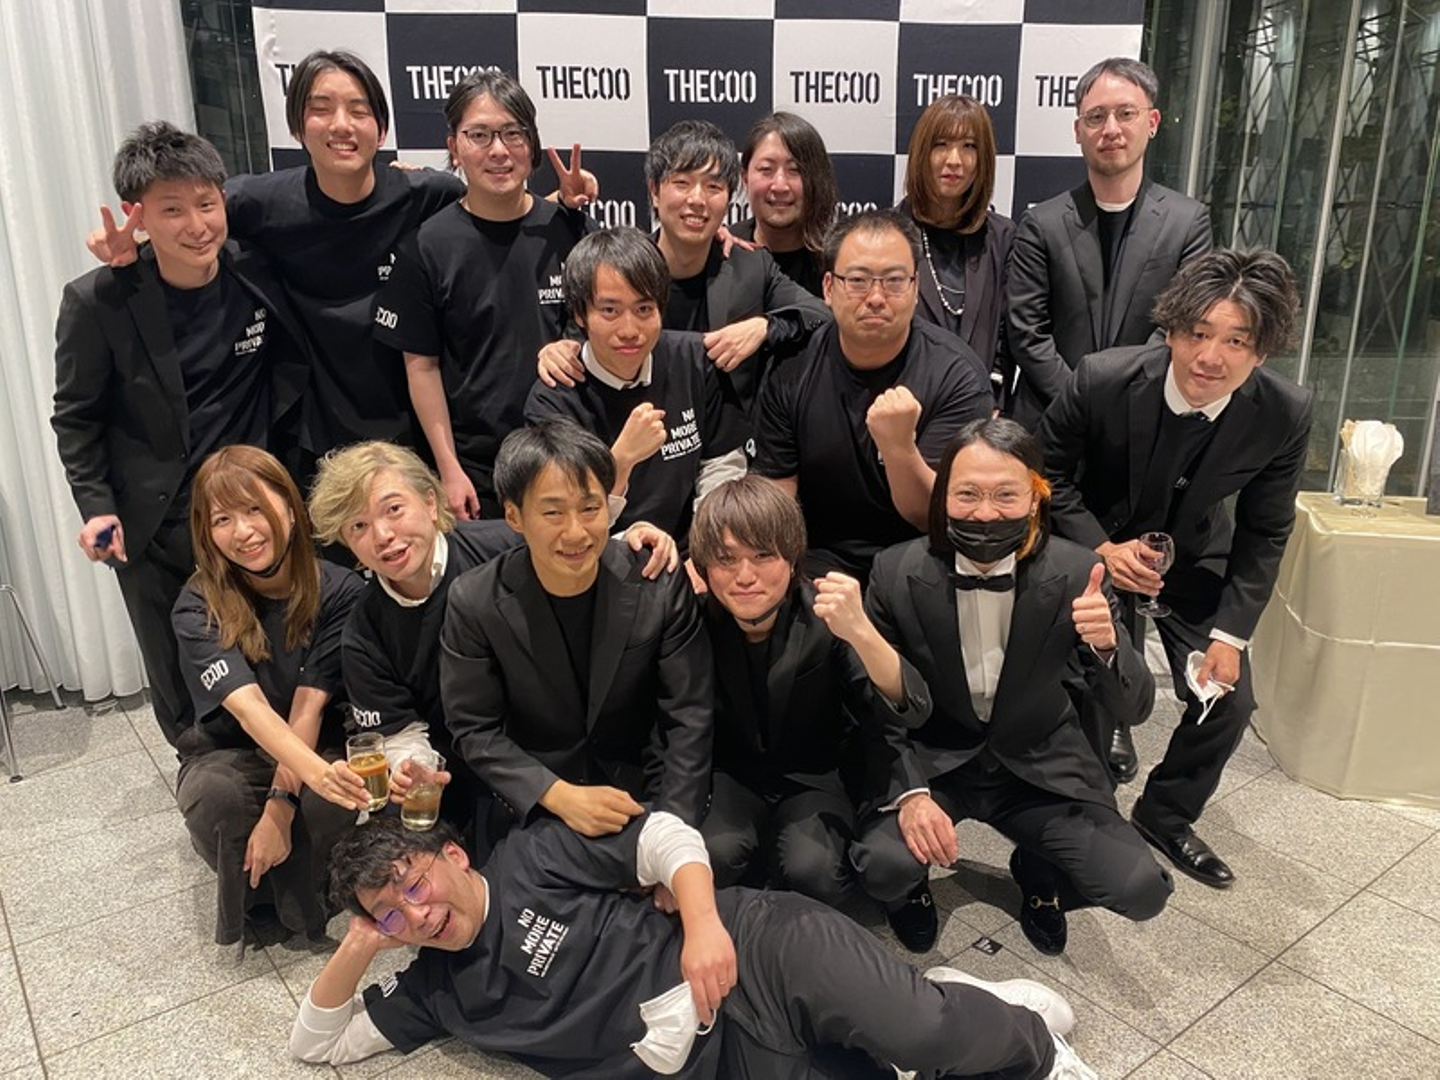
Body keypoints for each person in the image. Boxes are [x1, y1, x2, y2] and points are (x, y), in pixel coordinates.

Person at [291, 813, 1099, 1078]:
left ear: (451, 856)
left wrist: (705, 925)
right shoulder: (433, 991)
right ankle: (956, 999)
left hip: (754, 951)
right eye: (391, 916)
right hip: (723, 1064)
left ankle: (1029, 1040)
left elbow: (665, 837)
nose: (418, 915)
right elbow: (316, 1046)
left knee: (921, 1032)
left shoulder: (530, 857)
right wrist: (360, 943)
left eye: (413, 884)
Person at [1039, 248, 1312, 889]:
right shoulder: (1102, 378)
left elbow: (1266, 529)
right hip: (1098, 544)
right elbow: (1043, 476)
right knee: (1095, 680)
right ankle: (1088, 817)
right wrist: (1102, 547)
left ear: (1261, 352)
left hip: (1193, 555)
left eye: (1236, 341)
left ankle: (1165, 814)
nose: (1210, 357)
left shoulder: (1285, 412)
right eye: (1197, 333)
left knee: (1230, 699)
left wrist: (1230, 637)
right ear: (1169, 331)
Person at [850, 419, 1171, 956]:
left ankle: (1037, 866)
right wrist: (909, 794)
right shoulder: (894, 571)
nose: (984, 513)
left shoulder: (1080, 572)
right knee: (881, 868)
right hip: (937, 762)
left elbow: (1133, 708)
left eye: (1005, 495)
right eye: (967, 494)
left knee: (1140, 888)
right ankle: (912, 889)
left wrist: (1108, 644)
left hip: (1038, 764)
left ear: (1036, 497)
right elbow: (874, 702)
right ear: (942, 496)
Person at [52, 121, 311, 748]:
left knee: (273, 658)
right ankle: (202, 778)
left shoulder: (255, 269)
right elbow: (76, 416)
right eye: (172, 210)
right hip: (157, 525)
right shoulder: (99, 300)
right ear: (138, 216)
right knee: (181, 684)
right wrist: (98, 509)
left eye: (206, 204)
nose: (197, 225)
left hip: (249, 510)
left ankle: (279, 774)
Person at [306, 440, 679, 847]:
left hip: (558, 739)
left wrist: (631, 541)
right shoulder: (362, 633)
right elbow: (401, 733)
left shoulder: (503, 545)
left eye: (393, 509)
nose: (382, 535)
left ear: (430, 503)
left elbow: (574, 549)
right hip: (465, 768)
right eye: (358, 527)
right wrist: (414, 768)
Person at [439, 419, 714, 833]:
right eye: (553, 512)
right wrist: (557, 795)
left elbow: (688, 714)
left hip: (647, 796)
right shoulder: (474, 601)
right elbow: (474, 729)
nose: (576, 532)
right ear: (514, 515)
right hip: (538, 806)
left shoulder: (655, 579)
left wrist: (673, 832)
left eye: (590, 509)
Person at [688, 476, 926, 907]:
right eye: (726, 559)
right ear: (704, 565)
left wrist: (862, 632)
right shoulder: (692, 619)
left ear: (793, 555)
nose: (745, 576)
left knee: (816, 872)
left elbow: (906, 707)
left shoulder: (827, 612)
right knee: (712, 858)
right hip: (729, 774)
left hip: (813, 774)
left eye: (763, 555)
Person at [170, 445, 369, 947]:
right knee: (215, 798)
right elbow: (249, 708)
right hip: (231, 747)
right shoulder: (197, 604)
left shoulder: (340, 589)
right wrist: (301, 784)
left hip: (314, 739)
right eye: (222, 519)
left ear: (290, 508)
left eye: (255, 508)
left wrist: (283, 803)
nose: (243, 531)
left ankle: (308, 898)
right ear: (206, 532)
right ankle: (256, 901)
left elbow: (309, 705)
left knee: (328, 801)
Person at [373, 69, 594, 517]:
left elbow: (605, 324)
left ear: (532, 145)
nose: (498, 150)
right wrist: (448, 469)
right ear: (454, 148)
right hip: (477, 475)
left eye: (513, 133)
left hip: (569, 458)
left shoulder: (568, 230)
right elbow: (422, 368)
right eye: (479, 135)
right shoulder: (427, 246)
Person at [751, 209, 992, 584]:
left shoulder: (957, 376)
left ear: (915, 288)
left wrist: (899, 449)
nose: (876, 298)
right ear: (828, 288)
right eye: (858, 281)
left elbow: (934, 517)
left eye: (894, 281)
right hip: (816, 559)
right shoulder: (790, 368)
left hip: (922, 560)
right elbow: (776, 501)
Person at [538, 120, 830, 415]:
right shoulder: (619, 269)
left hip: (727, 437)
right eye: (682, 183)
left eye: (713, 186)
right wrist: (559, 351)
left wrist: (764, 326)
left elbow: (820, 314)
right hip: (635, 430)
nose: (697, 200)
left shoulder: (751, 266)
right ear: (654, 191)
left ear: (729, 197)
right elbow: (578, 339)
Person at [1006, 57, 1212, 432]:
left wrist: (1118, 400)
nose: (1111, 129)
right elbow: (1027, 333)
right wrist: (1080, 402)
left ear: (1152, 122)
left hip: (1142, 419)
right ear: (1078, 130)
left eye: (1126, 113)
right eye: (1096, 117)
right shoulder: (1040, 224)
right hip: (1050, 421)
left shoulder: (1188, 223)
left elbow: (1179, 326)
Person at [525, 227, 748, 546]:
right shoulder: (554, 399)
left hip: (691, 552)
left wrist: (705, 550)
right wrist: (622, 459)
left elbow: (722, 467)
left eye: (644, 309)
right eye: (610, 311)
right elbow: (568, 526)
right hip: (597, 558)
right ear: (580, 315)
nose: (629, 330)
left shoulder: (695, 361)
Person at [898, 94, 1014, 401]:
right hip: (906, 407)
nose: (954, 160)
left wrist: (994, 396)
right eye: (941, 144)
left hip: (981, 409)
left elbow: (1009, 333)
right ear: (922, 152)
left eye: (969, 146)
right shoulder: (889, 234)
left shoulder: (1003, 237)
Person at [733, 111, 838, 297]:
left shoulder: (839, 261)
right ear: (745, 178)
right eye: (766, 169)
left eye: (795, 170)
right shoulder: (723, 252)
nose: (780, 186)